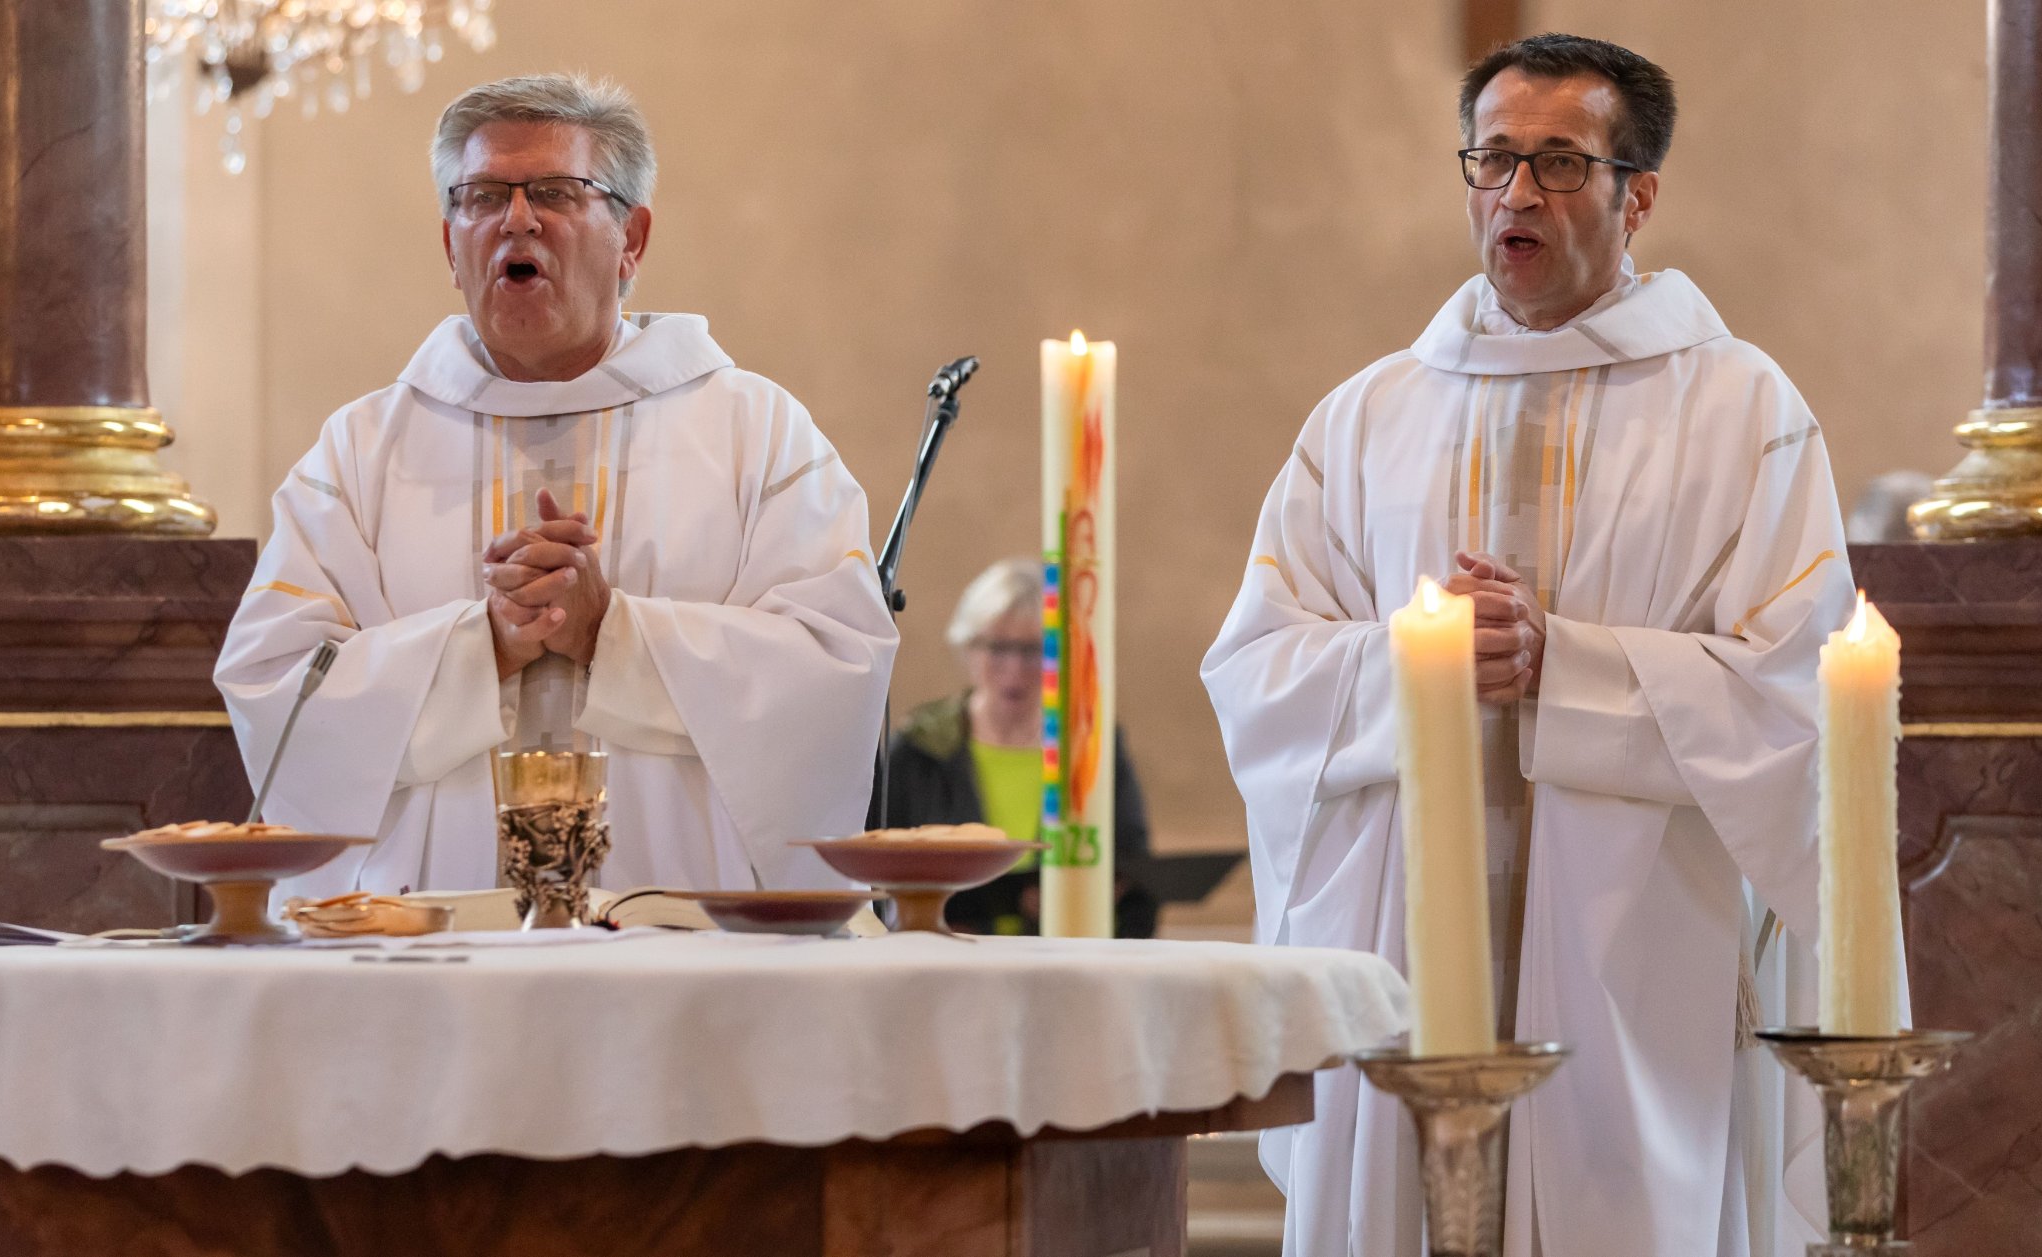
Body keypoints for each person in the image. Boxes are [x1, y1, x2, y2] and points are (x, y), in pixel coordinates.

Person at [1203, 34, 1851, 1257]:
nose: (1516, 195)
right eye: (1493, 160)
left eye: (1559, 164)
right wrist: (1414, 667)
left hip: (1635, 952)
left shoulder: (1743, 410)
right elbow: (1254, 670)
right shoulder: (1369, 416)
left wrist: (1572, 668)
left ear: (1637, 193)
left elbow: (1801, 689)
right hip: (1398, 948)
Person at [215, 73, 896, 899]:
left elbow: (837, 671)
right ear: (448, 243)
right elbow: (275, 688)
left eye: (556, 192)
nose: (516, 218)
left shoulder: (756, 433)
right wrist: (484, 645)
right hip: (424, 944)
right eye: (481, 196)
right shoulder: (360, 451)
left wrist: (614, 631)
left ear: (632, 239)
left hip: (677, 941)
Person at [883, 557, 1158, 937]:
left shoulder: (1092, 749)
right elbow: (877, 876)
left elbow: (1134, 869)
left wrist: (1087, 893)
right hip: (945, 964)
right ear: (968, 649)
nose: (1015, 668)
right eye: (997, 647)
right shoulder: (919, 750)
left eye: (1035, 651)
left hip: (1065, 964)